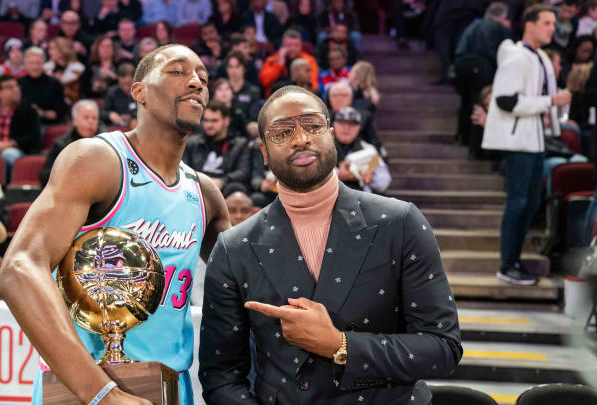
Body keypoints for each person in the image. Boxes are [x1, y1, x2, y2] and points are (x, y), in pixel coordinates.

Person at [0, 44, 231, 405]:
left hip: (171, 387)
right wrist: (101, 393)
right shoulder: (97, 160)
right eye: (178, 71)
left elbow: (246, 292)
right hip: (87, 388)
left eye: (203, 76)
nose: (197, 82)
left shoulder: (205, 194)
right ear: (139, 92)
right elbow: (18, 269)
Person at [198, 85, 462, 404]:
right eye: (282, 131)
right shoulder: (233, 247)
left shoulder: (401, 222)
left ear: (332, 135)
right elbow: (221, 378)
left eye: (312, 125)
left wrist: (339, 345)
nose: (300, 138)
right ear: (264, 151)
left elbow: (442, 348)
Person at [482, 4, 572, 285]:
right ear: (530, 25)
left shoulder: (541, 57)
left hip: (534, 140)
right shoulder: (518, 58)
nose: (552, 29)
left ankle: (515, 262)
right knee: (519, 202)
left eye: (552, 24)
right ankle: (508, 265)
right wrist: (549, 102)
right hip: (518, 140)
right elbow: (504, 100)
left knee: (530, 202)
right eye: (546, 23)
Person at [453, 2, 513, 146]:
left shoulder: (473, 24)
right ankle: (476, 144)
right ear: (502, 17)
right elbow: (497, 51)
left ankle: (462, 136)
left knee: (466, 102)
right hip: (481, 68)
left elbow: (460, 49)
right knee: (479, 103)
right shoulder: (497, 27)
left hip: (461, 66)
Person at [0, 74, 42, 169]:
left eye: (17, 86)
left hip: (14, 149)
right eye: (10, 87)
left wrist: (10, 144)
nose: (16, 89)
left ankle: (6, 183)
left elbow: (34, 136)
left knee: (8, 155)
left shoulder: (29, 110)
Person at [182, 100, 251, 192]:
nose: (209, 125)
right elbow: (183, 168)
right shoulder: (192, 143)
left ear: (226, 121)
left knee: (236, 188)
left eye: (214, 121)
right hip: (197, 185)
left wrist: (223, 181)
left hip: (224, 187)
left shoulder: (240, 144)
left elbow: (243, 172)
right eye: (206, 120)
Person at [40, 100, 102, 186]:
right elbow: (44, 176)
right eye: (86, 117)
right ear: (75, 121)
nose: (91, 121)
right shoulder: (61, 145)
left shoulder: (107, 144)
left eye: (94, 118)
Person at [333, 106, 391, 193]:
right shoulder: (324, 148)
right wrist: (337, 175)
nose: (346, 128)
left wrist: (372, 176)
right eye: (342, 122)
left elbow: (384, 182)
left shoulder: (368, 150)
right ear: (334, 125)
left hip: (361, 200)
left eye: (352, 124)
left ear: (359, 127)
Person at [260, 29, 319, 97]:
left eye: (296, 45)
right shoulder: (272, 60)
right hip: (276, 98)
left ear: (301, 46)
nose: (293, 48)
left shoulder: (308, 61)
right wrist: (280, 64)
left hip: (302, 96)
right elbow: (265, 82)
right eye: (289, 45)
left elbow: (313, 85)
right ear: (283, 45)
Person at [19, 47, 69, 125]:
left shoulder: (55, 84)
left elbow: (59, 112)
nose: (34, 67)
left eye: (38, 63)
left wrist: (42, 113)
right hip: (24, 124)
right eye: (31, 63)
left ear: (43, 63)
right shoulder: (18, 84)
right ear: (25, 64)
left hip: (48, 125)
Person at [45, 37, 85, 104]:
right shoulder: (46, 68)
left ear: (62, 49)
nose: (49, 52)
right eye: (49, 48)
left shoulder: (78, 68)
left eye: (53, 48)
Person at [101, 60, 137, 127]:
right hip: (117, 128)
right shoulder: (112, 92)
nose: (125, 88)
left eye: (128, 84)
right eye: (122, 84)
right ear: (118, 80)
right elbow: (102, 113)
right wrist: (110, 115)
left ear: (134, 80)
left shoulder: (140, 92)